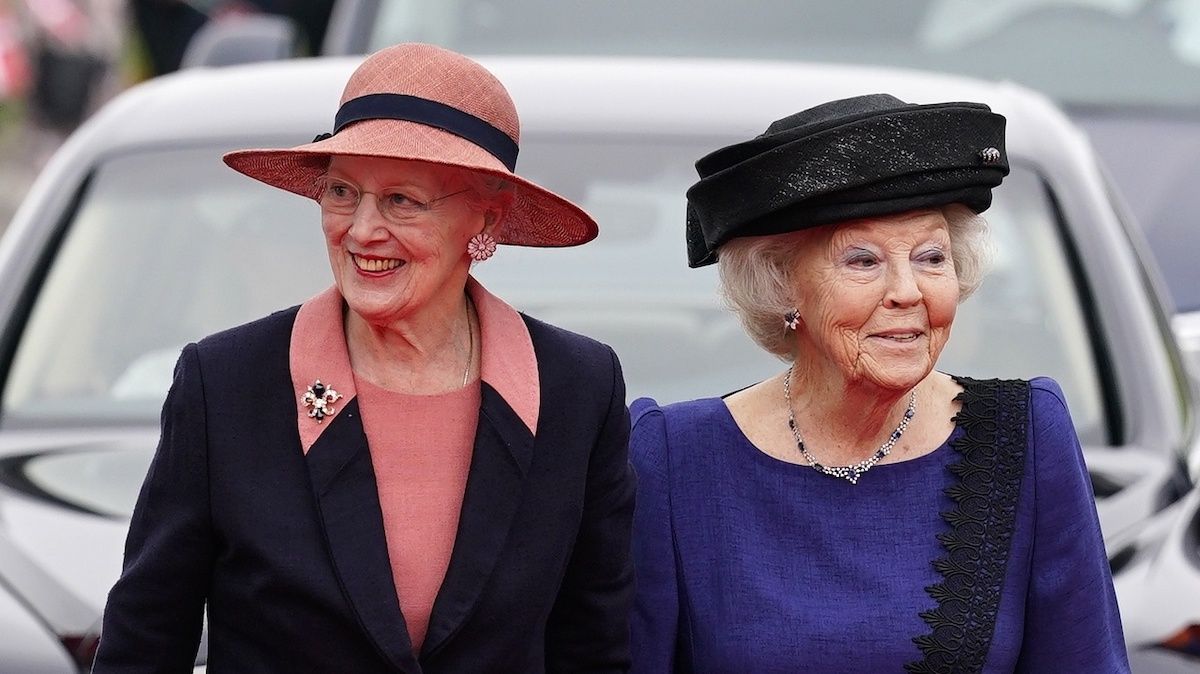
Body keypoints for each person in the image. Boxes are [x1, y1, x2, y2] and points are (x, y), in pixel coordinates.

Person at [93, 43, 635, 673]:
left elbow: (593, 645)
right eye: (343, 191)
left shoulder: (576, 388)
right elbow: (144, 642)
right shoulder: (227, 383)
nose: (361, 230)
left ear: (486, 216)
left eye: (402, 200)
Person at [629, 94, 1130, 672]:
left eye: (931, 257)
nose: (908, 291)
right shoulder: (673, 454)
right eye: (863, 260)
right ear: (783, 285)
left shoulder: (1023, 434)